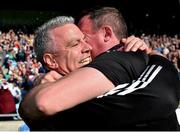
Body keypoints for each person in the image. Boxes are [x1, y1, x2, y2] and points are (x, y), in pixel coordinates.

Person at [19, 7, 180, 130]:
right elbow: (162, 96)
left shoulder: (121, 59)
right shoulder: (122, 60)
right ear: (51, 60)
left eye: (85, 39)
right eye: (76, 43)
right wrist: (157, 58)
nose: (87, 47)